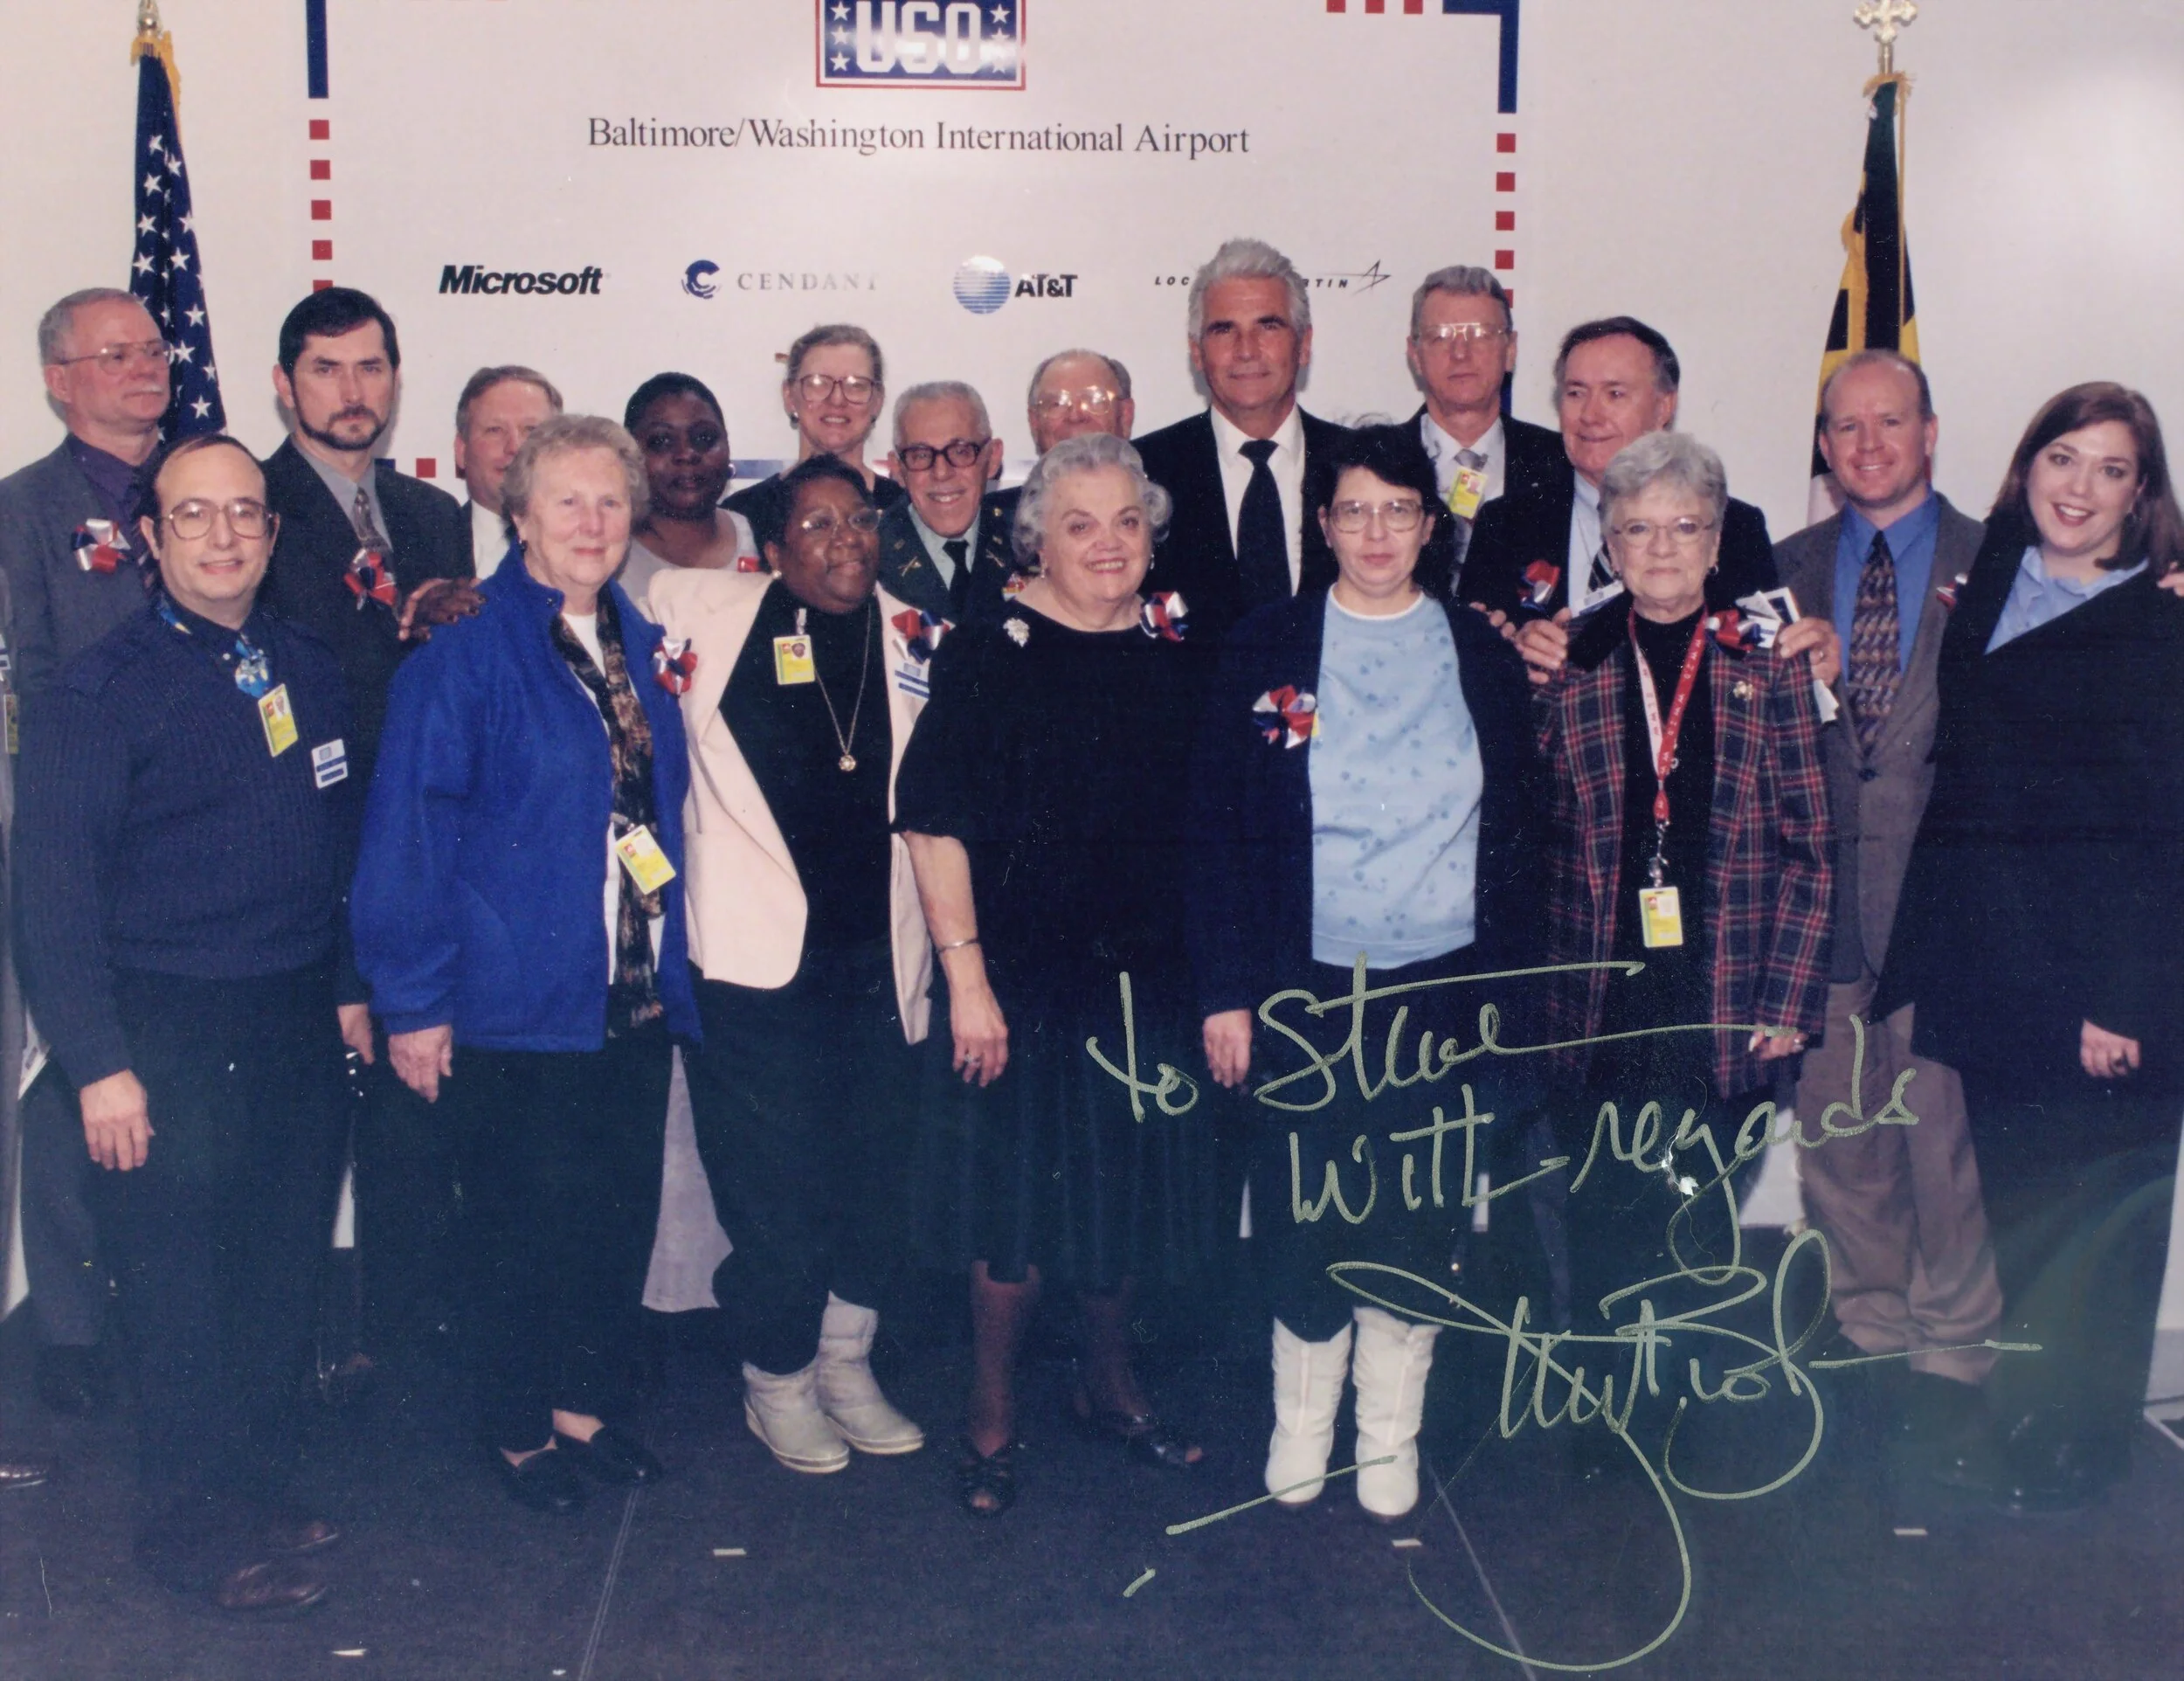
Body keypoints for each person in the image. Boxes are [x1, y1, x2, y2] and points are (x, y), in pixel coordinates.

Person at [14, 432, 364, 1613]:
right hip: (159, 1033)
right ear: (150, 541)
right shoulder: (95, 696)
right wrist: (99, 1069)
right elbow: (50, 901)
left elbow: (338, 851)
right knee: (177, 1295)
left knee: (275, 1276)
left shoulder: (306, 666)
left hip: (290, 1018)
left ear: (272, 533)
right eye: (195, 516)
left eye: (246, 515)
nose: (224, 537)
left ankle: (255, 1486)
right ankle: (189, 1530)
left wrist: (352, 988)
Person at [1191, 425, 1546, 1520]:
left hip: (1441, 992)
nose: (1377, 531)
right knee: (1304, 1212)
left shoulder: (1479, 652)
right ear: (1321, 522)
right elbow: (1213, 827)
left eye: (1399, 510)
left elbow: (1522, 831)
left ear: (1430, 527)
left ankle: (1388, 1434)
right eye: (1354, 510)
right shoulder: (1266, 645)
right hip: (1301, 987)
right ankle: (1303, 1423)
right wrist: (1224, 990)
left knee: (1421, 1215)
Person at [352, 415, 699, 1516]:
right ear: (517, 515)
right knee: (513, 1228)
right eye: (566, 502)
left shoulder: (642, 642)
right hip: (510, 1004)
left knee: (609, 1214)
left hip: (630, 991)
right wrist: (411, 1002)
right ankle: (514, 1425)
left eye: (610, 501)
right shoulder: (461, 656)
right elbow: (407, 837)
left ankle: (584, 1409)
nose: (592, 523)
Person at [1876, 382, 2184, 1508]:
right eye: (2063, 457)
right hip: (2000, 970)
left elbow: (2163, 830)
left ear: (2139, 497)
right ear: (2027, 467)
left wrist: (2123, 1001)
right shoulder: (1995, 586)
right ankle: (2038, 1423)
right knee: (2023, 1214)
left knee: (2102, 1227)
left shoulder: (2162, 619)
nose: (2080, 487)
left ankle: (2085, 1446)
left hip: (2109, 984)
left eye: (2111, 470)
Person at [897, 432, 1217, 1517]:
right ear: (1036, 538)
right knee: (1012, 1218)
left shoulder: (1178, 654)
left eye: (1128, 520)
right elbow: (931, 820)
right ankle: (989, 1411)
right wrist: (968, 983)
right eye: (1079, 523)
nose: (1108, 542)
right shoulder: (992, 649)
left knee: (1121, 1201)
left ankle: (1109, 1386)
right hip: (1021, 987)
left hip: (1146, 983)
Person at [1529, 432, 1831, 1435]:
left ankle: (1677, 1405)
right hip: (1597, 996)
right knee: (1600, 1204)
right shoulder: (1567, 660)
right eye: (1636, 529)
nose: (1660, 550)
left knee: (1699, 1211)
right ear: (1607, 544)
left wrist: (1788, 1005)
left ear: (1716, 543)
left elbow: (1809, 848)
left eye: (1684, 528)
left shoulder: (1768, 662)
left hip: (1726, 991)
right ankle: (1604, 1404)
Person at [647, 455, 934, 1475]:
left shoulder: (916, 636)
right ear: (771, 547)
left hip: (879, 963)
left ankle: (845, 1361)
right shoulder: (696, 609)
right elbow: (575, 600)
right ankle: (775, 1376)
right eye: (816, 524)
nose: (844, 539)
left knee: (875, 1180)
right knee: (773, 1189)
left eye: (858, 519)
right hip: (754, 970)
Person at [1773, 351, 2001, 1447]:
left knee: (1945, 1144)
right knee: (1840, 1141)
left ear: (1931, 431)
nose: (1867, 445)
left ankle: (1957, 1346)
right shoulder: (1778, 567)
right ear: (1824, 446)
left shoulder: (2001, 560)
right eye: (1845, 427)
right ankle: (1866, 1331)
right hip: (1815, 910)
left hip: (1947, 906)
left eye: (1890, 422)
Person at [259, 286, 475, 1400]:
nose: (354, 391)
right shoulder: (251, 506)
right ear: (285, 384)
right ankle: (281, 1361)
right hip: (298, 859)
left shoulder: (434, 517)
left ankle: (401, 1340)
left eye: (373, 367)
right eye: (328, 368)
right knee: (298, 1135)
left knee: (409, 1122)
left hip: (418, 859)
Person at [0, 286, 173, 1418]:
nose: (144, 368)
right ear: (60, 379)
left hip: (197, 840)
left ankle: (168, 1310)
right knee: (73, 1078)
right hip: (81, 833)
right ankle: (71, 1329)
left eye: (152, 349)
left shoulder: (207, 489)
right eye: (115, 355)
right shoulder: (23, 510)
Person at [1460, 317, 1778, 623]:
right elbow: (1476, 655)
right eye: (1576, 393)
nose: (1590, 415)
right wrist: (1518, 652)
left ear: (1663, 408)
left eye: (1614, 394)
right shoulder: (1504, 526)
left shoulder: (1734, 528)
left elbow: (1757, 660)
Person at [1134, 239, 1352, 647]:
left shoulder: (1359, 464)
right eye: (1224, 330)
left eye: (1268, 326)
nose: (1246, 350)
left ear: (1303, 344)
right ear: (1196, 353)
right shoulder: (1145, 470)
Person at [1402, 266, 1564, 576]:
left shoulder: (1560, 462)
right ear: (1415, 355)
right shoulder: (1372, 463)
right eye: (1441, 336)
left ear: (1511, 350)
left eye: (1480, 334)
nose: (1460, 352)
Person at [724, 322, 906, 551]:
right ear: (790, 397)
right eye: (818, 383)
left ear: (877, 401)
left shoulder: (905, 511)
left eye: (856, 385)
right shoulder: (744, 514)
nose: (837, 399)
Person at [619, 371, 761, 607]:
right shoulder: (610, 556)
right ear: (630, 455)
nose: (686, 454)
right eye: (662, 441)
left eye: (704, 437)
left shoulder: (762, 537)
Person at [879, 382, 1013, 623]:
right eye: (920, 455)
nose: (941, 473)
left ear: (993, 458)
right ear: (897, 469)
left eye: (961, 451)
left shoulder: (1027, 547)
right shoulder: (871, 556)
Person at [452, 364, 562, 578]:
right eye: (495, 430)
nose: (515, 447)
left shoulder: (588, 544)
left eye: (532, 430)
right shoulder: (422, 546)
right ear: (461, 450)